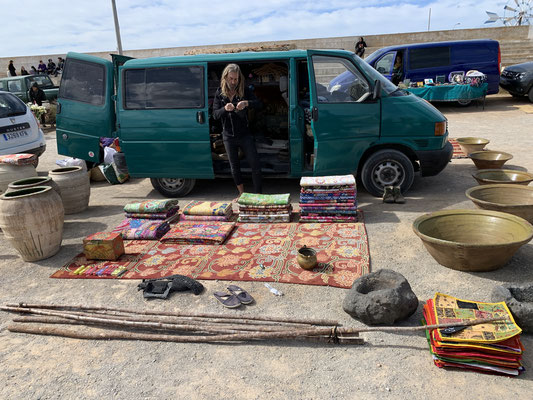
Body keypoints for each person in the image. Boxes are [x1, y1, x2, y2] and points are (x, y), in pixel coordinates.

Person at [213, 63, 262, 197]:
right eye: (231, 79)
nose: (233, 82)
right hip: (228, 136)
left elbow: (259, 104)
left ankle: (258, 194)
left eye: (236, 79)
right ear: (225, 77)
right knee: (234, 167)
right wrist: (225, 109)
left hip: (244, 134)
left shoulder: (245, 90)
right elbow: (215, 114)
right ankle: (241, 194)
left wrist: (247, 103)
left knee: (255, 164)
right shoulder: (219, 93)